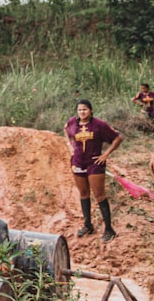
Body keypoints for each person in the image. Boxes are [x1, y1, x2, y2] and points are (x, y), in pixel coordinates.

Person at [65, 99, 124, 241]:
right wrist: (69, 144)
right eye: (79, 110)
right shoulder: (73, 122)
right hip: (78, 162)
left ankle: (109, 229)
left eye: (85, 109)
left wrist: (106, 154)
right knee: (84, 193)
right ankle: (87, 225)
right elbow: (66, 129)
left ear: (90, 110)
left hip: (95, 163)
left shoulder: (99, 125)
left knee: (99, 195)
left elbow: (118, 138)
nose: (82, 112)